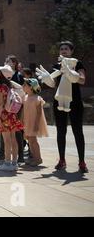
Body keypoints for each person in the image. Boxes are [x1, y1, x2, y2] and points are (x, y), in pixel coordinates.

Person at [36, 41, 88, 173]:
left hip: (75, 102)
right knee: (61, 132)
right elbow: (53, 84)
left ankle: (82, 162)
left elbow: (82, 79)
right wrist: (48, 79)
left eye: (66, 49)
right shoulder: (56, 66)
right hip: (59, 102)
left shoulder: (77, 63)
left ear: (71, 51)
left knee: (78, 131)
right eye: (61, 49)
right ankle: (62, 160)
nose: (63, 51)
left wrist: (72, 73)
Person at [0, 55, 25, 163]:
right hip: (11, 115)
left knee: (6, 139)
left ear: (2, 74)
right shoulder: (9, 86)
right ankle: (14, 162)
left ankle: (7, 163)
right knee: (13, 139)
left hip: (3, 115)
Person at [22, 78, 48, 166]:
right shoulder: (25, 97)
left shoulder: (37, 98)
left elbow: (39, 113)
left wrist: (36, 124)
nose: (23, 86)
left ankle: (38, 159)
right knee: (30, 140)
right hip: (27, 122)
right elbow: (24, 111)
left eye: (25, 85)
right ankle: (34, 157)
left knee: (33, 140)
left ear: (31, 87)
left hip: (34, 122)